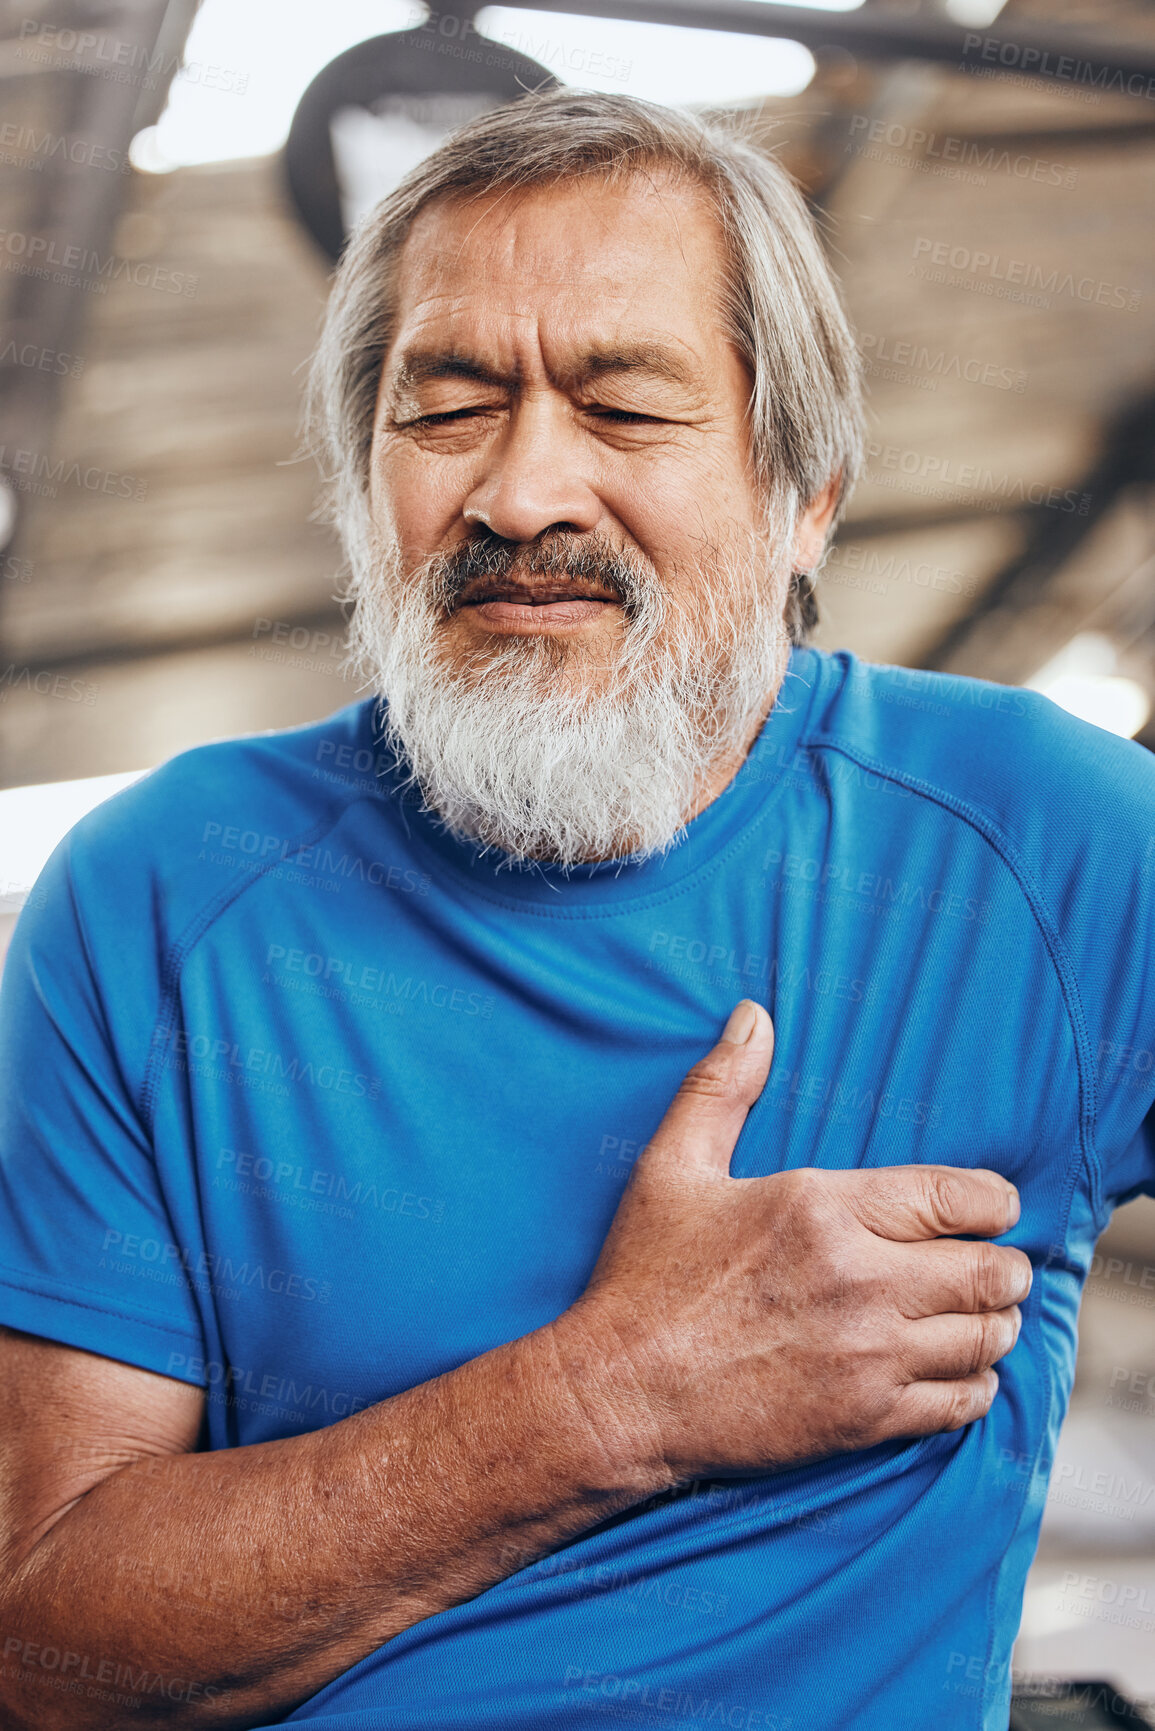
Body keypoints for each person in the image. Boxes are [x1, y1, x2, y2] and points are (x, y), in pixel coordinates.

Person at [0, 88, 1150, 1731]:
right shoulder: (157, 896)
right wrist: (620, 1392)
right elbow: (45, 1652)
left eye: (624, 408)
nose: (524, 491)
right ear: (356, 483)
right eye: (447, 408)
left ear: (801, 488)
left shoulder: (1050, 847)